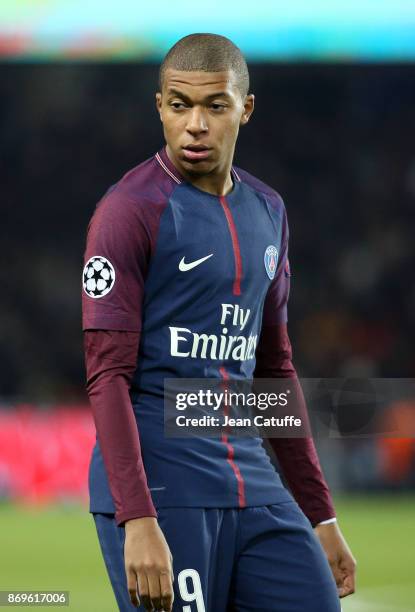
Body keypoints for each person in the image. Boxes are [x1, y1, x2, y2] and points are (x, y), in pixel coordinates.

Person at [82, 33, 356, 612]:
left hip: (253, 482)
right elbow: (107, 377)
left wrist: (319, 513)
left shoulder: (268, 211)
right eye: (179, 105)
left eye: (215, 106)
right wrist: (136, 517)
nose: (195, 125)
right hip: (165, 486)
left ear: (245, 109)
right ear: (160, 107)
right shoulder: (128, 212)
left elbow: (274, 368)